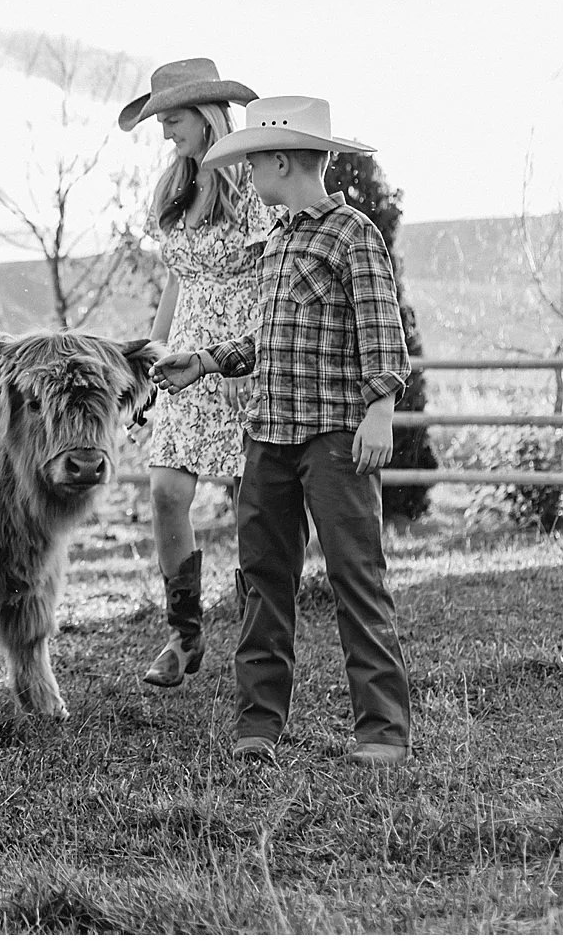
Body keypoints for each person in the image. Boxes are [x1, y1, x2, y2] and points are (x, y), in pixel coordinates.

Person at [155, 95, 413, 769]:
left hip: (334, 437)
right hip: (267, 435)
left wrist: (380, 408)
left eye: (252, 162)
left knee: (357, 576)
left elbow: (383, 327)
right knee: (262, 578)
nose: (247, 174)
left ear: (278, 160)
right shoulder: (274, 239)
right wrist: (206, 360)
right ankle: (258, 724)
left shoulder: (351, 234)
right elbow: (266, 338)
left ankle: (381, 730)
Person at [117, 59, 271, 690]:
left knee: (251, 504)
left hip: (242, 356)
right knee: (166, 492)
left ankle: (260, 637)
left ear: (205, 116)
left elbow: (271, 276)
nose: (163, 133)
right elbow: (179, 279)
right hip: (184, 359)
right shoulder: (172, 186)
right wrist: (153, 356)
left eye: (171, 120)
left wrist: (245, 356)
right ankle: (184, 636)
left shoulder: (256, 184)